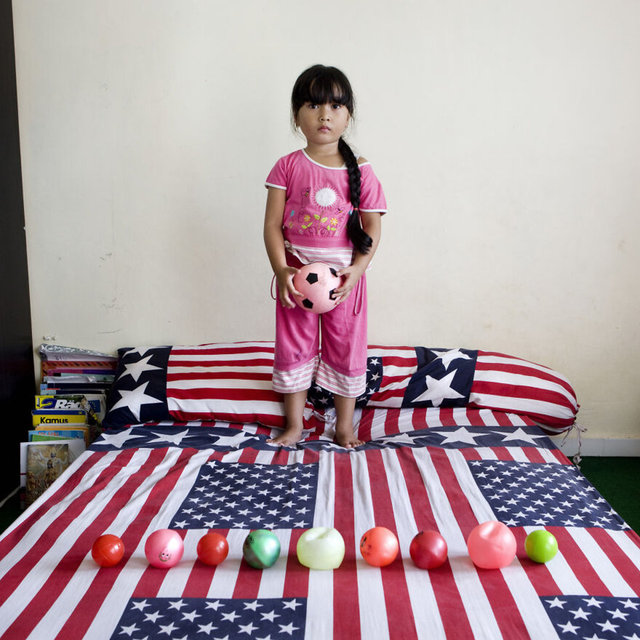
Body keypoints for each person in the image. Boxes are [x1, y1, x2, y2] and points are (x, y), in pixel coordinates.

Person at [263, 64, 387, 447]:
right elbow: (271, 226)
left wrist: (358, 270)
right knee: (293, 348)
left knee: (347, 349)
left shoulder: (361, 170)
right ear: (296, 115)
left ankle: (344, 427)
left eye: (335, 106)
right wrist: (281, 270)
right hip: (297, 280)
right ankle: (294, 426)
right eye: (314, 105)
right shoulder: (286, 166)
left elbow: (372, 225)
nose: (324, 115)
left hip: (345, 283)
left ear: (348, 115)